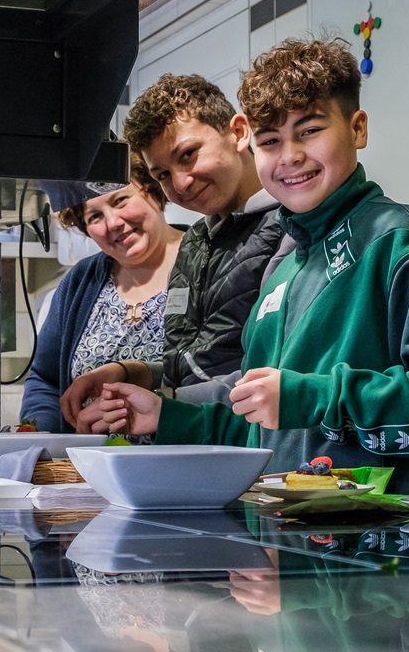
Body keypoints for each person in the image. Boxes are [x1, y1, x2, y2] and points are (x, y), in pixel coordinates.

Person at [81, 37, 409, 493]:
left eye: (310, 130)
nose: (291, 155)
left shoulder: (404, 243)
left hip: (385, 547)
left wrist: (311, 396)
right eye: (271, 140)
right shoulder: (287, 269)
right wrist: (168, 416)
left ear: (357, 129)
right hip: (293, 542)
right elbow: (259, 426)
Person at [59, 74, 288, 426]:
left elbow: (274, 374)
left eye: (188, 155)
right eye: (163, 174)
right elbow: (198, 363)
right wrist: (130, 373)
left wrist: (164, 404)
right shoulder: (196, 241)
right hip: (197, 443)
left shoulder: (293, 230)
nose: (180, 182)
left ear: (239, 133)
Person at [19, 157, 183, 430]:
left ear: (153, 191)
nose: (113, 222)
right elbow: (45, 380)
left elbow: (216, 371)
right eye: (94, 216)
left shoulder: (206, 262)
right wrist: (42, 437)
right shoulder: (81, 282)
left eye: (120, 201)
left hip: (188, 459)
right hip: (89, 466)